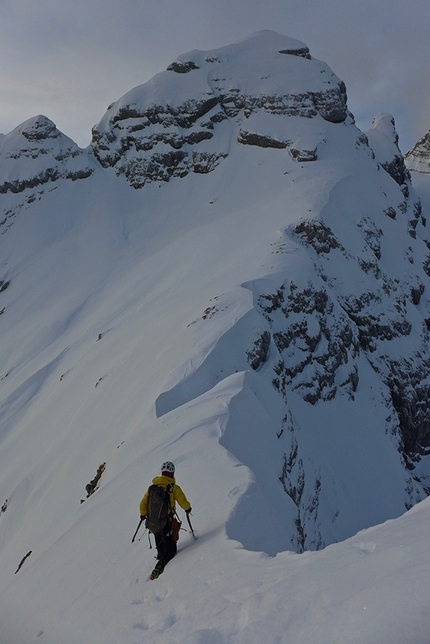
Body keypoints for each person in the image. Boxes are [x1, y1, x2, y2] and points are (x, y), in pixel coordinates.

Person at [139, 461, 191, 579]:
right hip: (167, 521)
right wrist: (188, 508)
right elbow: (183, 501)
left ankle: (160, 555)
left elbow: (142, 504)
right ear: (172, 474)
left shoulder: (152, 488)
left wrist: (143, 515)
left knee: (159, 538)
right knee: (171, 549)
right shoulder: (173, 488)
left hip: (154, 521)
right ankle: (161, 565)